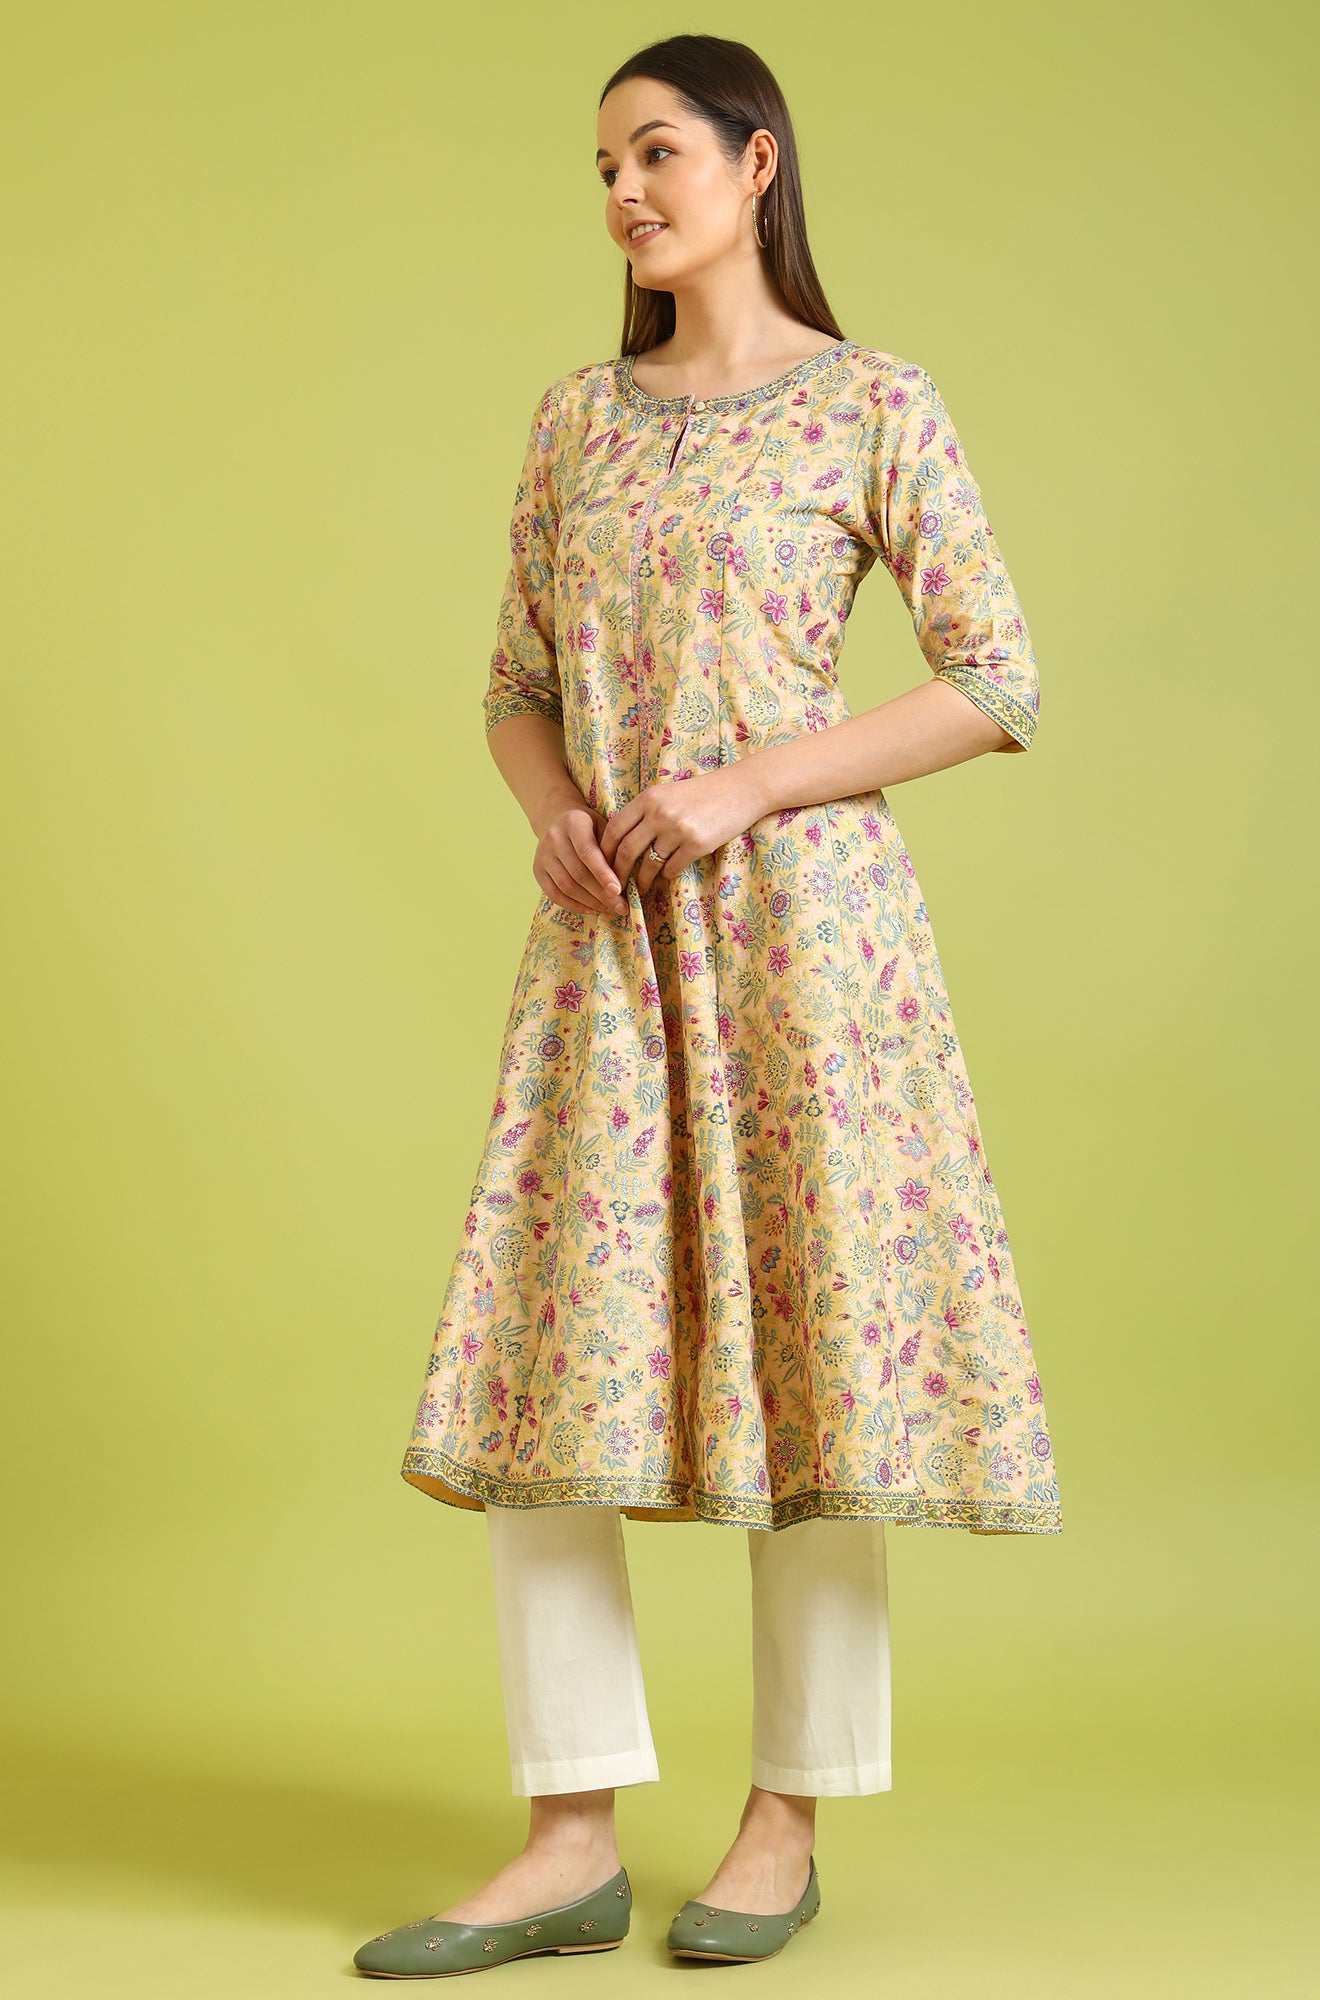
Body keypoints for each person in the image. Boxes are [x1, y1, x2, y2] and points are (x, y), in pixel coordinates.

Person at [353, 31, 1062, 1981]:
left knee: (821, 1347)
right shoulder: (578, 420)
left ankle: (785, 1816)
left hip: (809, 940)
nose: (623, 193)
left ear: (759, 164)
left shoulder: (876, 403)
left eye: (656, 152)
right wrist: (553, 819)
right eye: (602, 167)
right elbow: (514, 685)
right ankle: (564, 1833)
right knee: (550, 1360)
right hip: (610, 945)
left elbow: (995, 677)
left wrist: (748, 784)